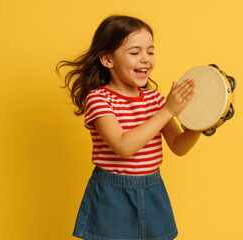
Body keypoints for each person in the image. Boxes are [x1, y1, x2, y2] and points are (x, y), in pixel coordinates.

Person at [57, 15, 201, 240]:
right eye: (135, 52)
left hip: (153, 190)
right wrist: (167, 111)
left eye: (150, 52)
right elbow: (123, 147)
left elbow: (178, 145)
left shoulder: (154, 100)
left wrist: (203, 124)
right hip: (112, 196)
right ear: (107, 59)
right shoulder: (99, 99)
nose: (145, 59)